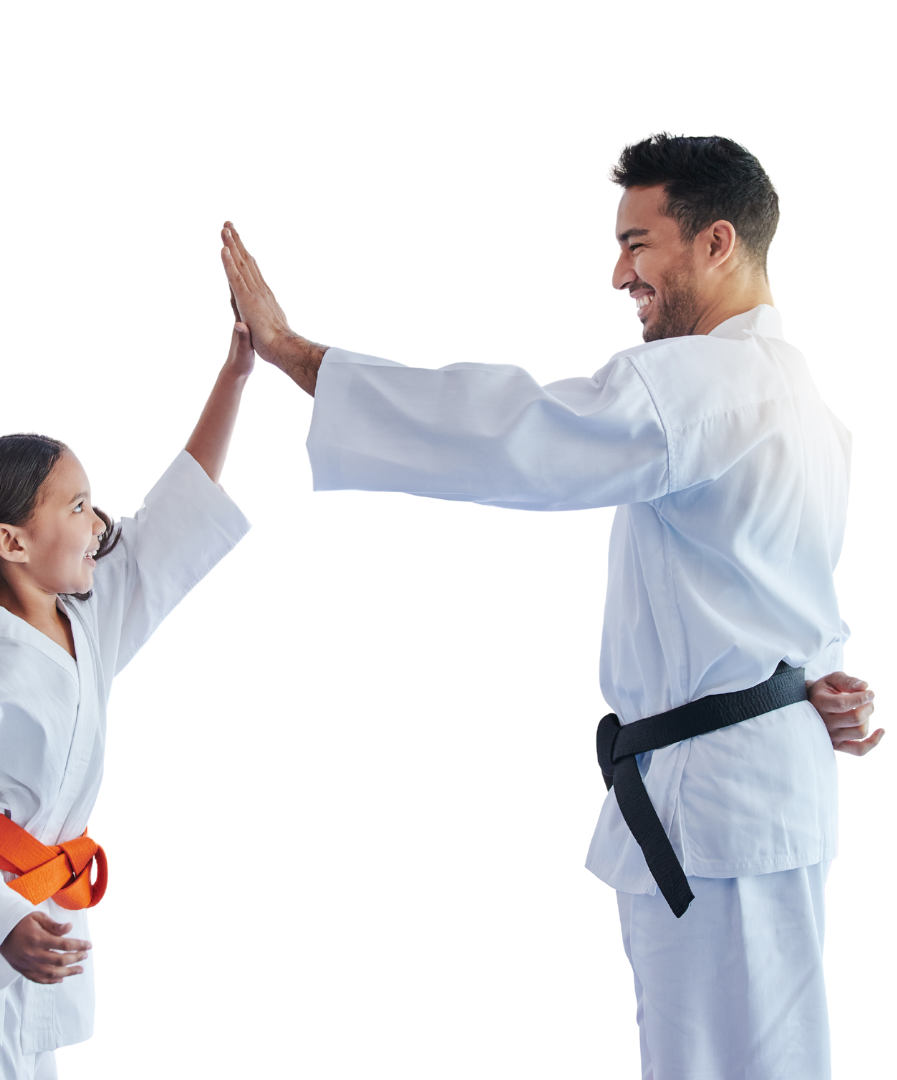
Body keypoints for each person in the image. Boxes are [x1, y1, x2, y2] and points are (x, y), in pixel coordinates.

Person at [219, 132, 883, 1078]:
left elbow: (514, 434)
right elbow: (783, 584)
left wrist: (299, 357)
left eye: (638, 244)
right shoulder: (805, 400)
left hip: (719, 801)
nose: (619, 274)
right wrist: (825, 675)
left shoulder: (702, 383)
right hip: (754, 782)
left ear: (717, 242)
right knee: (764, 1057)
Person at [0, 303, 256, 1079]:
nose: (99, 522)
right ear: (11, 542)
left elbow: (170, 526)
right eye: (76, 507)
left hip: (36, 926)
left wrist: (236, 372)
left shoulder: (82, 617)